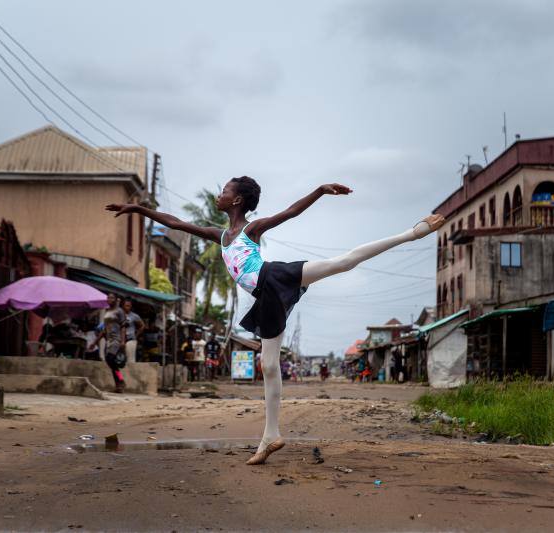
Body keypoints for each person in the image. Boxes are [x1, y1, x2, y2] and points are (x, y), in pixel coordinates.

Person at [107, 176, 444, 465]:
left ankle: (412, 233)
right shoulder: (218, 235)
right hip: (264, 297)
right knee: (268, 366)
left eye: (224, 190)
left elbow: (290, 213)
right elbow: (175, 222)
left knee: (342, 263)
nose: (218, 194)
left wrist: (319, 191)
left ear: (236, 199)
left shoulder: (251, 229)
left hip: (274, 277)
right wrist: (137, 209)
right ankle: (271, 437)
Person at [89, 293, 127, 393]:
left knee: (110, 359)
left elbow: (123, 327)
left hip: (116, 339)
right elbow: (104, 329)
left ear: (116, 299)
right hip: (108, 340)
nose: (109, 299)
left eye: (112, 297)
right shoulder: (107, 312)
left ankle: (121, 381)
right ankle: (119, 384)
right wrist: (95, 342)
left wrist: (123, 341)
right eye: (108, 297)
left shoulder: (119, 311)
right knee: (110, 361)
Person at [122, 299, 144, 363]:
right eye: (126, 305)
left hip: (131, 338)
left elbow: (142, 325)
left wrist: (136, 335)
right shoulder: (119, 314)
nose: (127, 307)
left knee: (130, 360)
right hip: (120, 339)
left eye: (129, 306)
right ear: (123, 306)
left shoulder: (134, 316)